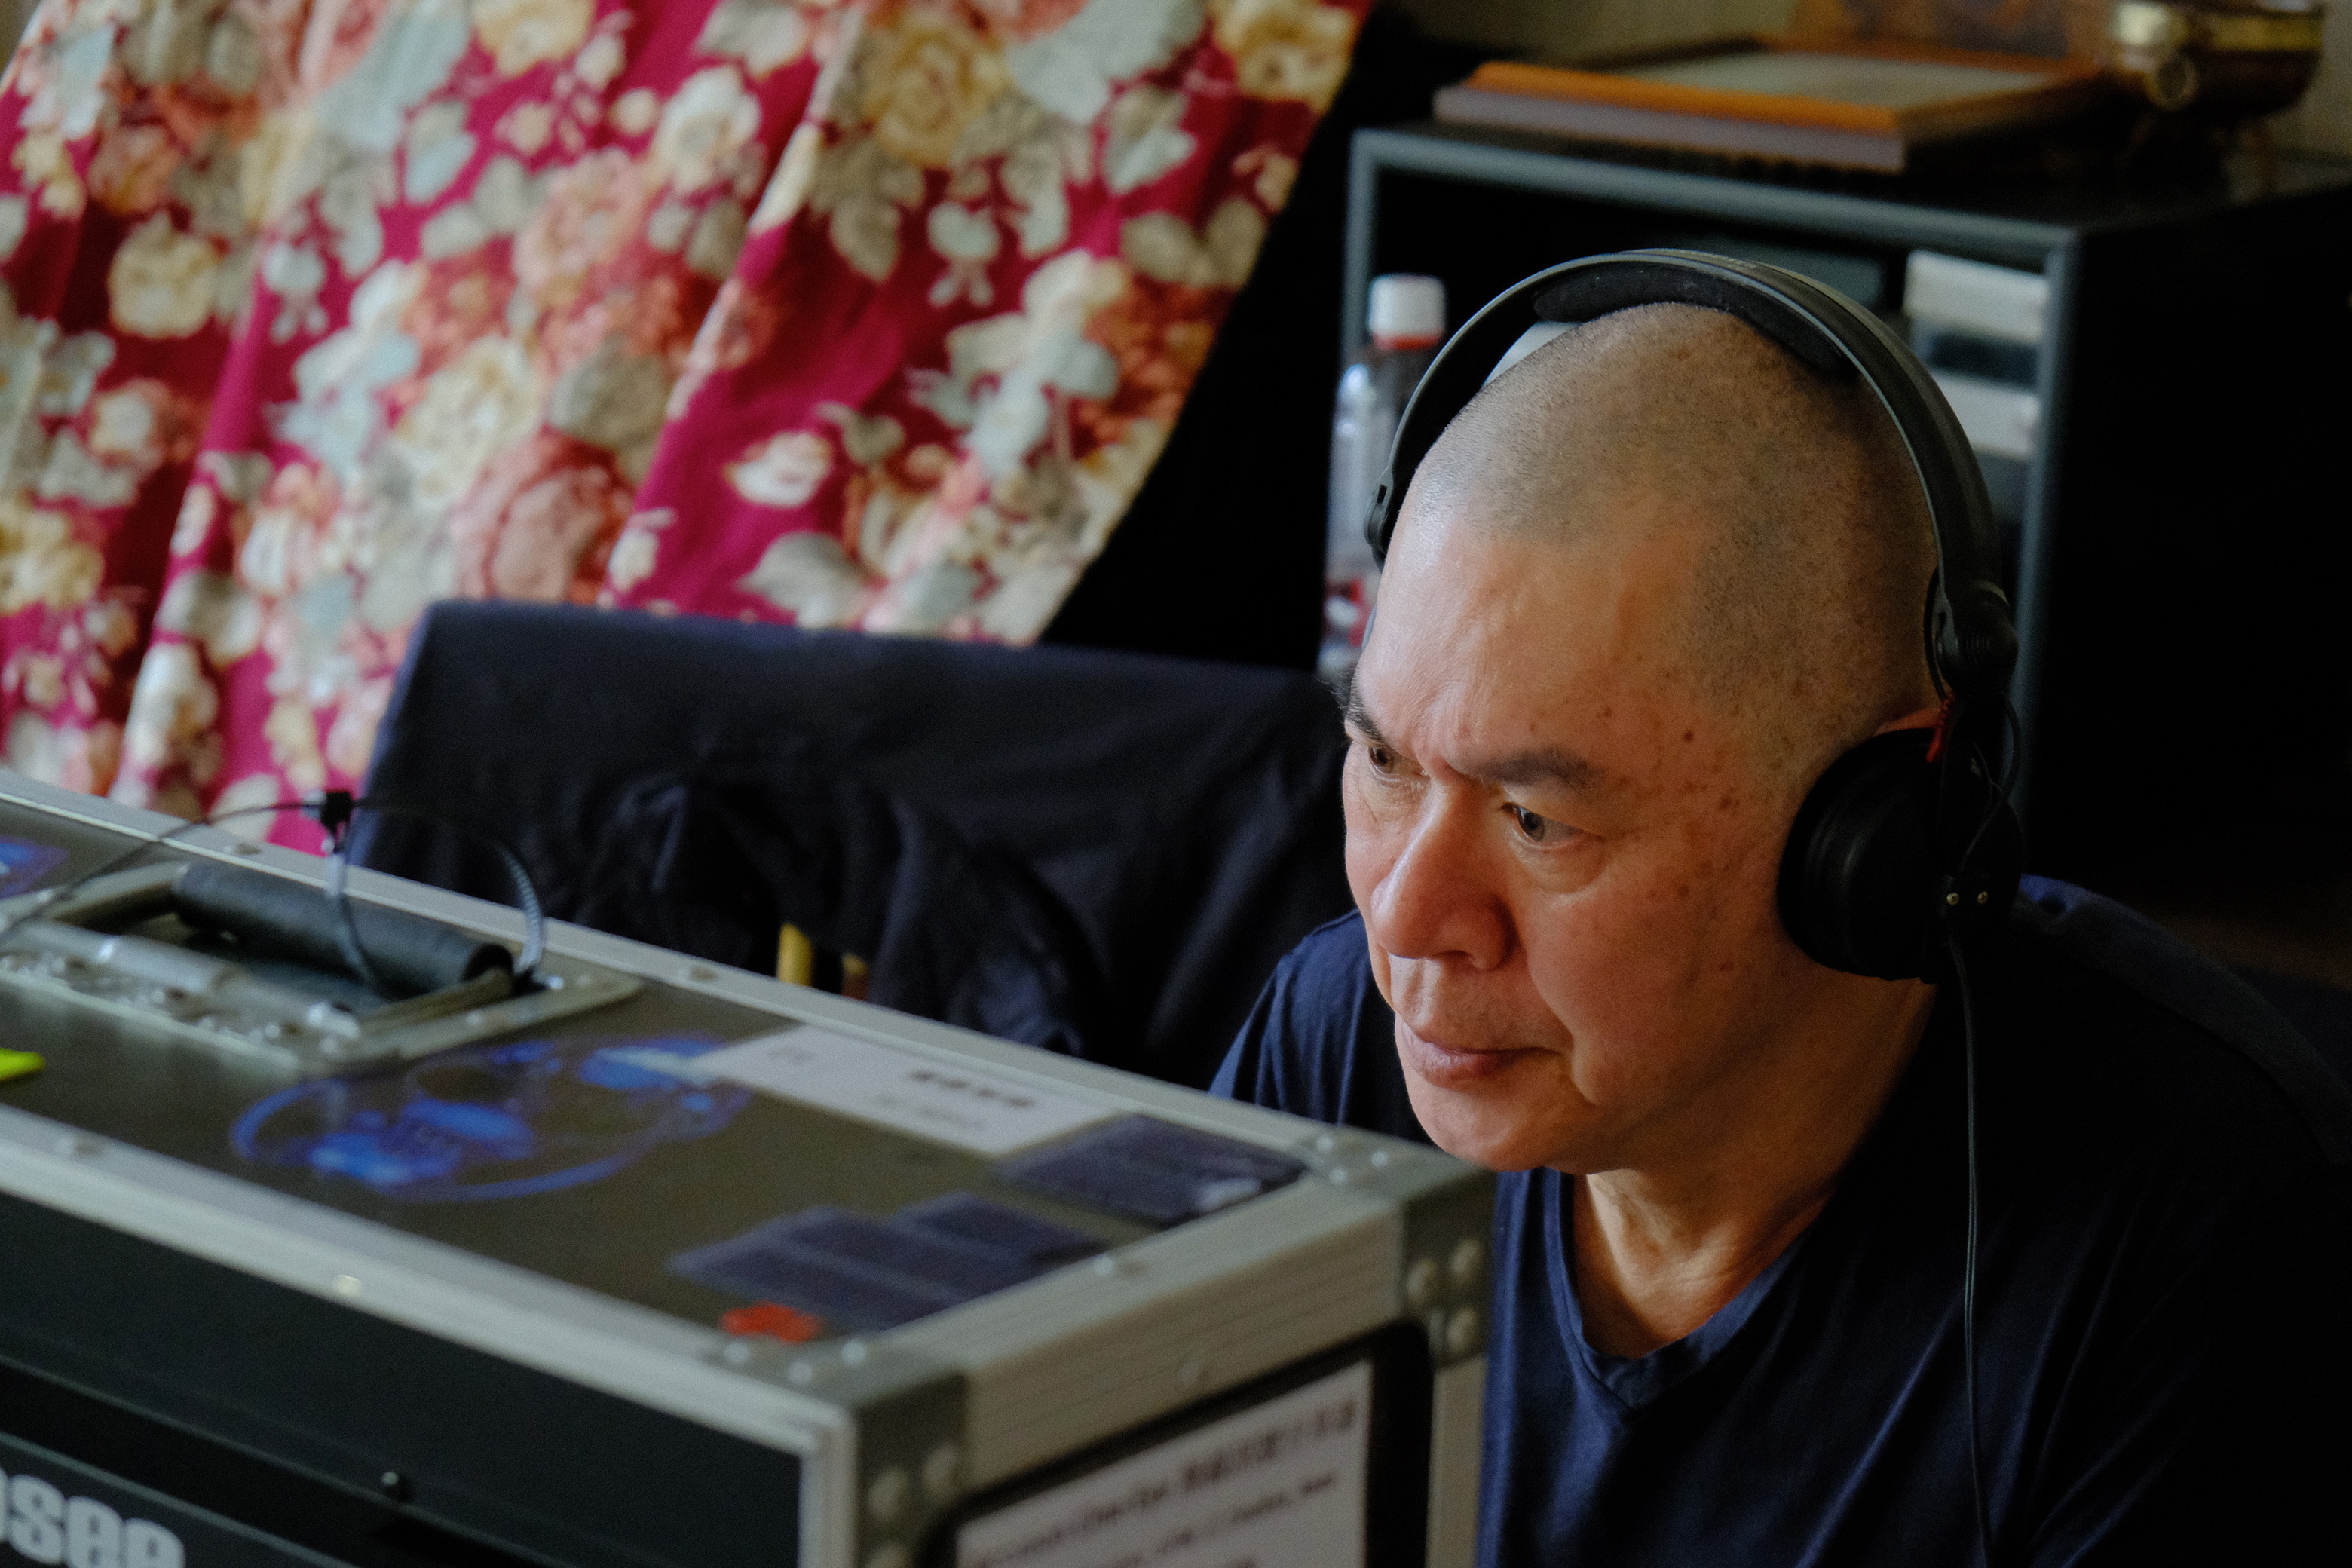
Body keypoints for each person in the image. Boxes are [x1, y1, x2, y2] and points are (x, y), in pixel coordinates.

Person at [1214, 302, 2352, 1564]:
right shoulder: (1336, 1052)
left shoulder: (2198, 1247)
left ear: (1867, 837)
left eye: (1538, 821)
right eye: (1384, 762)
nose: (1406, 918)